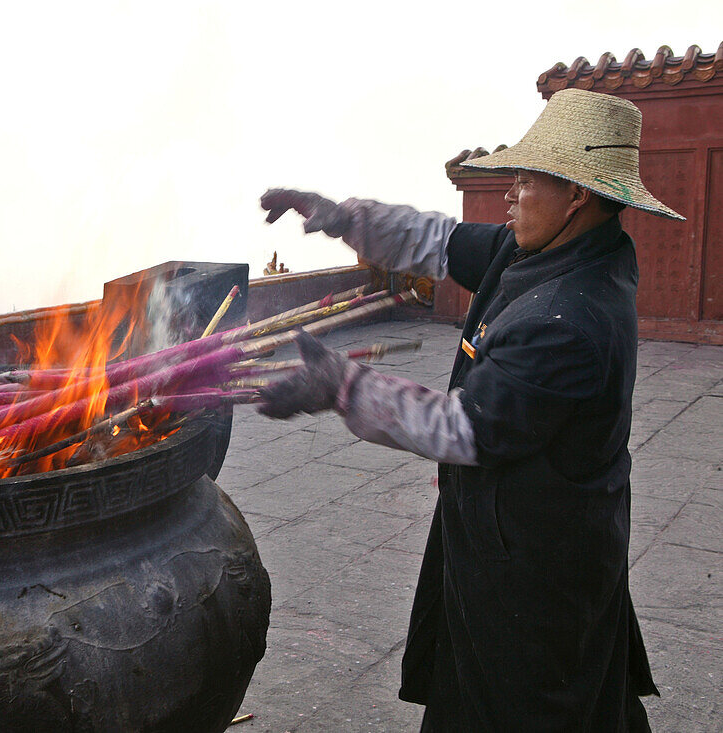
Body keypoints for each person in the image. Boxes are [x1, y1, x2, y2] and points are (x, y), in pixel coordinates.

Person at [257, 88, 684, 731]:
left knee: (530, 705)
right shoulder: (546, 247)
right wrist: (341, 216)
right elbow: (441, 241)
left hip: (538, 564)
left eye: (525, 181)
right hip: (508, 528)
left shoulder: (572, 318)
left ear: (578, 194)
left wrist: (341, 387)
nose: (509, 195)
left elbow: (464, 426)